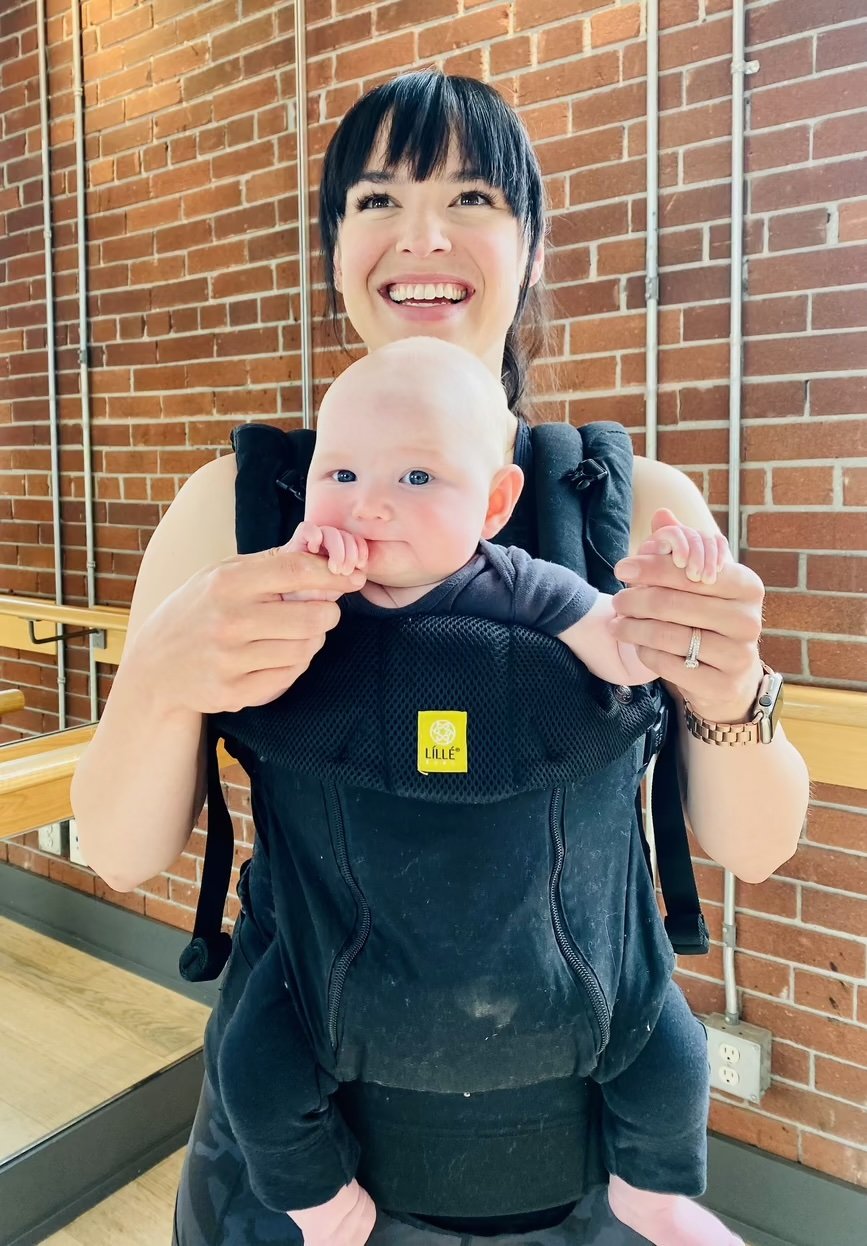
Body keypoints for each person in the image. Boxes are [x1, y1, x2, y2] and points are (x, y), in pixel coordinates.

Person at [69, 71, 810, 1246]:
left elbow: (759, 847)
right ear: (334, 249)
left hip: (579, 1164)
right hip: (302, 1148)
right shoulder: (238, 506)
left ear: (527, 247)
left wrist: (729, 693)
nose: (422, 236)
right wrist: (161, 680)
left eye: (472, 194)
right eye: (375, 200)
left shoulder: (630, 507)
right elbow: (118, 852)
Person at [218, 333, 739, 1246]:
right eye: (339, 474)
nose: (370, 502)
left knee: (668, 1049)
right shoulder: (300, 593)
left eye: (416, 479)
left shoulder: (520, 586)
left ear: (497, 503)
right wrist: (278, 593)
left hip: (557, 986)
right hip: (327, 972)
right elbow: (239, 694)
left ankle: (652, 1189)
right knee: (253, 1068)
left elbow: (618, 652)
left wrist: (676, 593)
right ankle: (318, 1204)